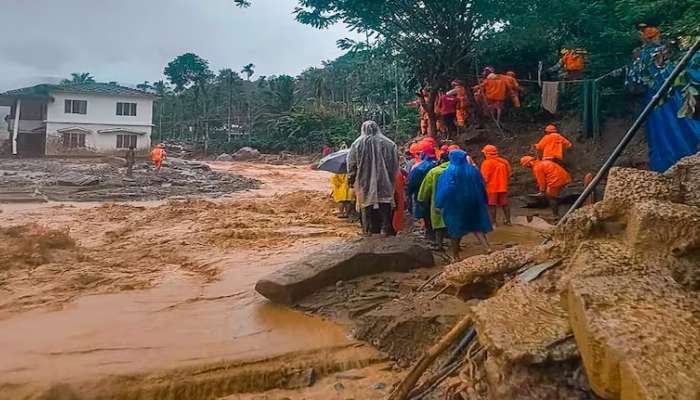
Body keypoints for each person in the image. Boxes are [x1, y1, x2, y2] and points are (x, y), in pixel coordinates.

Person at [436, 149, 493, 259]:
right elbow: (482, 185)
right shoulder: (473, 170)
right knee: (477, 225)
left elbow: (445, 190)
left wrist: (439, 204)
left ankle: (456, 256)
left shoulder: (448, 172)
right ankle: (487, 248)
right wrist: (485, 200)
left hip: (455, 205)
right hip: (474, 202)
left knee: (455, 229)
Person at [347, 121, 400, 236]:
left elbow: (351, 164)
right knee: (385, 202)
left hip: (363, 180)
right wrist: (391, 177)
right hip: (384, 179)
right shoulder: (389, 143)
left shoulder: (357, 144)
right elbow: (395, 164)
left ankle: (367, 230)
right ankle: (385, 229)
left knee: (365, 204)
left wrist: (351, 179)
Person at [418, 151, 451, 250]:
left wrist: (421, 198)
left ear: (441, 160)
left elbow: (426, 187)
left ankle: (439, 245)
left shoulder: (434, 171)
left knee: (438, 223)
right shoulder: (457, 170)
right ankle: (456, 246)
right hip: (454, 201)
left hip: (437, 200)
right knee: (454, 221)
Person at [407, 142, 438, 240]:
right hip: (438, 195)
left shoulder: (419, 168)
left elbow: (411, 183)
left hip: (423, 195)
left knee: (427, 216)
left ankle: (430, 236)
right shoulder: (440, 163)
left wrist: (408, 193)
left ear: (423, 153)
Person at [480, 145, 512, 226]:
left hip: (491, 188)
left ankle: (493, 223)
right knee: (505, 204)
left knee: (491, 205)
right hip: (503, 187)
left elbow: (484, 178)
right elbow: (509, 173)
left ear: (487, 153)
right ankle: (508, 221)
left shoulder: (486, 163)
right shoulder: (504, 161)